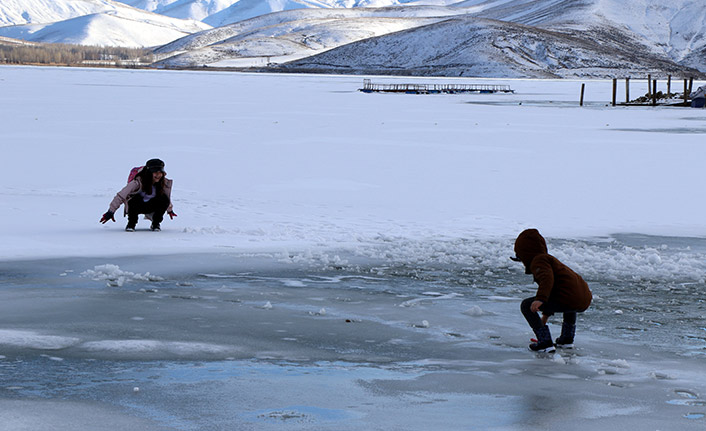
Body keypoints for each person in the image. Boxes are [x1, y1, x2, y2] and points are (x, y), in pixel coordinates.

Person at [511, 229, 592, 353]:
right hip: (582, 298)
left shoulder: (538, 260)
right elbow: (556, 290)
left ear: (525, 253)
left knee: (526, 305)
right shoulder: (547, 259)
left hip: (569, 297)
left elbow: (547, 280)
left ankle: (544, 342)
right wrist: (545, 315)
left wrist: (540, 299)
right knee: (569, 305)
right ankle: (566, 340)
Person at [100, 158, 177, 232]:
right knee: (134, 199)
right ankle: (131, 224)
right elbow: (121, 196)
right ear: (149, 172)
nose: (158, 175)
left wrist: (169, 210)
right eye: (155, 172)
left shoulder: (163, 183)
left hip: (151, 206)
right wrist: (110, 212)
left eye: (160, 172)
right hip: (136, 206)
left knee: (164, 199)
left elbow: (167, 198)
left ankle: (155, 224)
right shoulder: (137, 181)